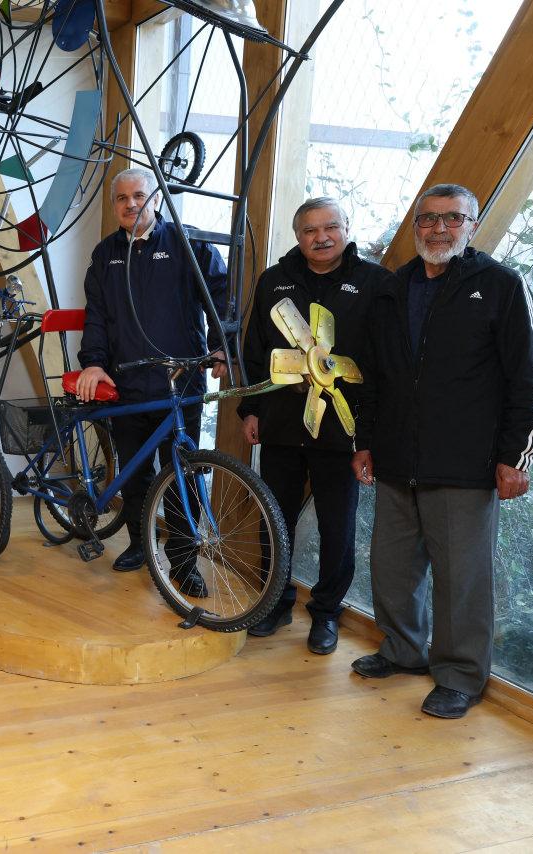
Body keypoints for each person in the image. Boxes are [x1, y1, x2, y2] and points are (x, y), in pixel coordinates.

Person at [351, 183, 533, 719]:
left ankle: (460, 676)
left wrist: (517, 458)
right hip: (396, 461)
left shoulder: (501, 286)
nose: (439, 228)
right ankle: (402, 649)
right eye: (429, 219)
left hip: (466, 467)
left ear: (472, 226)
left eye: (453, 218)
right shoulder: (392, 290)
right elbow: (373, 378)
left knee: (462, 581)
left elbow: (529, 379)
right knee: (392, 568)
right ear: (416, 226)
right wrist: (364, 441)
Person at [238, 198, 393, 654]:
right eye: (310, 230)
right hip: (282, 424)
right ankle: (275, 602)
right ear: (297, 235)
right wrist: (250, 409)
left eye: (330, 228)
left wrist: (370, 435)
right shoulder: (274, 281)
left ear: (346, 229)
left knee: (337, 528)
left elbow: (383, 365)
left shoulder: (376, 283)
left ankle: (326, 612)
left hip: (343, 431)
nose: (321, 237)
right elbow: (255, 351)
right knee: (275, 519)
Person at [76, 167, 228, 588]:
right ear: (114, 205)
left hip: (180, 386)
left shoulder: (189, 243)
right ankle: (140, 544)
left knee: (182, 477)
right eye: (121, 198)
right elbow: (97, 317)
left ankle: (183, 563)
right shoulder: (105, 254)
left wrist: (222, 346)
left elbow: (221, 296)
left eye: (139, 195)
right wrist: (93, 362)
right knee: (136, 474)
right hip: (125, 385)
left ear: (156, 199)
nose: (130, 204)